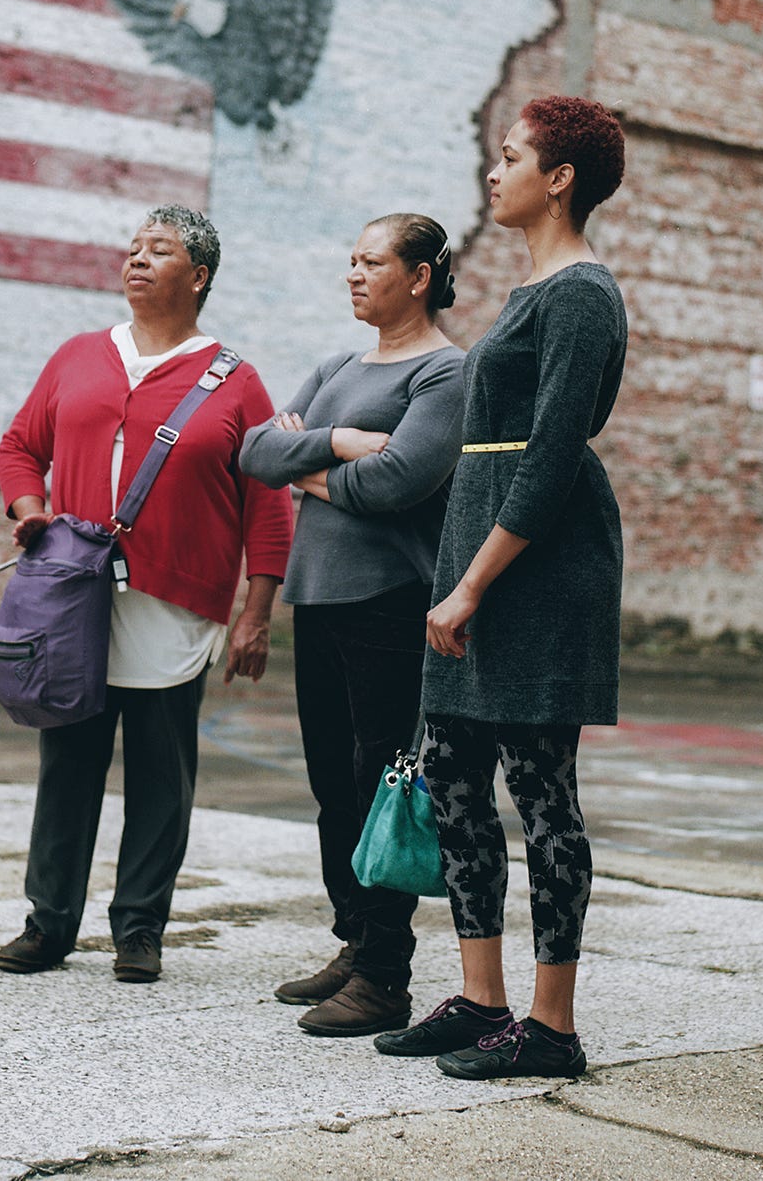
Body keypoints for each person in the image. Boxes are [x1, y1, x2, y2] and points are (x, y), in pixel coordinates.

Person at [375, 96, 629, 1081]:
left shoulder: (581, 294)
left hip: (541, 569)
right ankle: (481, 998)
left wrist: (472, 582)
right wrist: (461, 573)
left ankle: (550, 1025)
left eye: (512, 154)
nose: (494, 168)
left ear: (558, 179)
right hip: (481, 557)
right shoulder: (532, 287)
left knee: (539, 787)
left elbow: (552, 456)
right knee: (450, 772)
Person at [0, 205, 292, 986]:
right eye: (132, 247)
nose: (137, 258)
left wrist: (256, 612)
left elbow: (267, 502)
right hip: (73, 601)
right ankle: (48, 923)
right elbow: (20, 445)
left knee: (162, 774)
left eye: (158, 250)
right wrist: (31, 509)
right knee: (68, 766)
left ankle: (140, 928)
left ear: (198, 276)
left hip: (177, 607)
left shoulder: (235, 381)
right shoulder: (79, 356)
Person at [239, 214, 467, 1039]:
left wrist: (308, 467)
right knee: (333, 782)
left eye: (372, 262)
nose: (354, 274)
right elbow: (255, 453)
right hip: (321, 598)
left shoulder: (446, 373)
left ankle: (384, 975)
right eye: (351, 260)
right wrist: (338, 440)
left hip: (390, 601)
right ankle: (355, 939)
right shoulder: (337, 367)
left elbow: (398, 481)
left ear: (419, 276)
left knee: (381, 784)